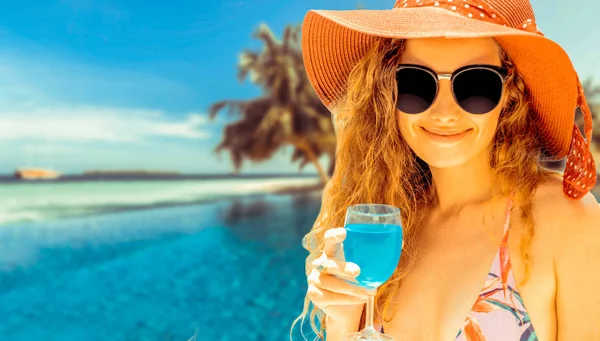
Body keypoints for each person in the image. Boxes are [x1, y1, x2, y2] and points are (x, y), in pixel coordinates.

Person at [291, 0, 600, 340]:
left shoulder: (564, 219)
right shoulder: (393, 224)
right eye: (415, 83)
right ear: (386, 90)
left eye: (476, 85)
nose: (443, 113)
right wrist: (342, 321)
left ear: (511, 93)